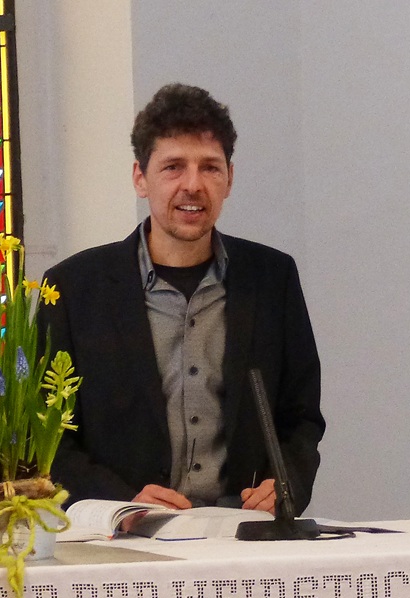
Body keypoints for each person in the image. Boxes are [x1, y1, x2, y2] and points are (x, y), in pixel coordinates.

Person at [38, 83, 325, 516]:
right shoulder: (74, 288)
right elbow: (43, 434)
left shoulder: (272, 278)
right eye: (173, 167)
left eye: (210, 168)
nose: (193, 185)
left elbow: (302, 418)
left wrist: (286, 484)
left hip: (242, 527)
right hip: (123, 535)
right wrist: (120, 503)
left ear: (230, 179)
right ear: (140, 178)